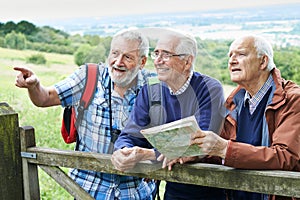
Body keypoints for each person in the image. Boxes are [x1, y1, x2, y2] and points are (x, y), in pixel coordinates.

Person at [14, 29, 157, 199]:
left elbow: (174, 135)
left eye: (128, 57)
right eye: (115, 53)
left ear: (142, 62)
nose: (118, 62)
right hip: (88, 189)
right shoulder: (89, 76)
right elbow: (45, 98)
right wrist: (34, 85)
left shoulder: (155, 86)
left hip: (135, 192)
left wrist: (152, 156)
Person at [111, 29, 226, 200]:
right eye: (156, 53)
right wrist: (124, 150)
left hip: (208, 188)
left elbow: (198, 145)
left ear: (187, 62)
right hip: (173, 188)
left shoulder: (210, 89)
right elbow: (130, 133)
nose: (157, 61)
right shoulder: (150, 90)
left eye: (166, 55)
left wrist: (148, 154)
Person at [189, 35, 300, 200]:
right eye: (230, 56)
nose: (232, 61)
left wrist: (224, 148)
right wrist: (196, 153)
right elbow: (219, 151)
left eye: (240, 54)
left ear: (263, 62)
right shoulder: (233, 103)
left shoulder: (293, 100)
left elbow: (285, 157)